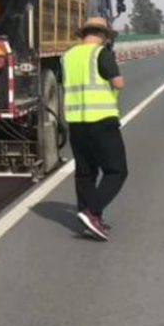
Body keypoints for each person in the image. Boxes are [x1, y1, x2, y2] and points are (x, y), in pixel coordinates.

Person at [62, 17, 128, 241]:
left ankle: (88, 217)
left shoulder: (67, 56)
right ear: (103, 35)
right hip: (101, 121)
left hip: (76, 122)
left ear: (84, 33)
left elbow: (65, 83)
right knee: (117, 171)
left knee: (85, 173)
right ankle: (92, 212)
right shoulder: (102, 54)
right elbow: (118, 83)